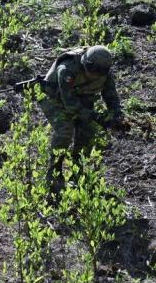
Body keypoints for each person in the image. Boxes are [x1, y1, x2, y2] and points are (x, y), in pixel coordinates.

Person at [39, 45, 126, 197]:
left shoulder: (105, 74)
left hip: (83, 100)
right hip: (54, 100)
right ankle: (54, 175)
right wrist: (96, 117)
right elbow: (70, 104)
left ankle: (77, 174)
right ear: (86, 64)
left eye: (99, 73)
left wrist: (117, 114)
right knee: (65, 131)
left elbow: (111, 96)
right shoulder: (67, 70)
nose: (94, 76)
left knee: (88, 133)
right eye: (92, 71)